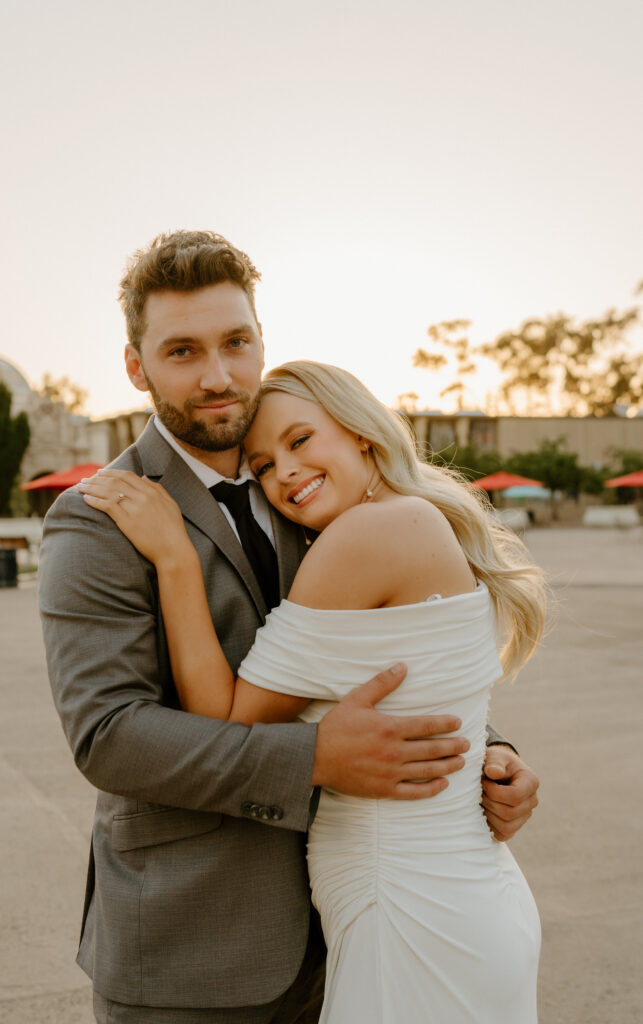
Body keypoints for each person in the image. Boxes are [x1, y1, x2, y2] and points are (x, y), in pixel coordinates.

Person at [39, 230, 540, 1024]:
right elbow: (109, 736)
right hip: (191, 950)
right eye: (181, 351)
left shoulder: (313, 488)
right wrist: (314, 757)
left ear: (261, 340)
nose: (217, 375)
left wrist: (488, 754)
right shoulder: (100, 517)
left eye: (237, 342)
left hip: (347, 925)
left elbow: (390, 645)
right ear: (136, 366)